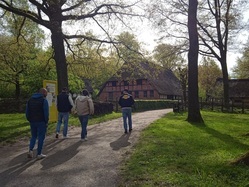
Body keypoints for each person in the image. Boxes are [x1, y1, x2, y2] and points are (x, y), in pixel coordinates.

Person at [26, 88, 49, 159]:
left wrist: (29, 119)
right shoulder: (44, 101)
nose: (47, 94)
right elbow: (46, 113)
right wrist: (46, 121)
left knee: (33, 136)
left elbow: (27, 112)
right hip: (41, 121)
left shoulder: (30, 100)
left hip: (32, 121)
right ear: (44, 93)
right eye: (46, 93)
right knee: (41, 137)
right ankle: (39, 153)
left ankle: (30, 150)